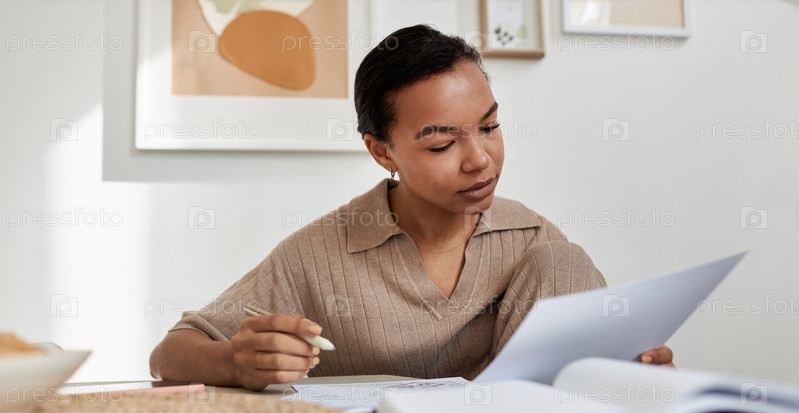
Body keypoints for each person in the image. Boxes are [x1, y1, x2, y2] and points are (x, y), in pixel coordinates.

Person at [149, 25, 673, 390]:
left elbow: (584, 385)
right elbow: (169, 354)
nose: (480, 159)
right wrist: (235, 363)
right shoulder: (319, 253)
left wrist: (636, 375)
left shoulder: (535, 241)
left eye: (490, 126)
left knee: (563, 261)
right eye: (442, 145)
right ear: (382, 152)